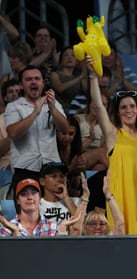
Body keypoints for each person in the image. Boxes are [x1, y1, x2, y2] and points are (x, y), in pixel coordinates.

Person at [87, 56, 137, 235]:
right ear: (117, 112)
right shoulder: (113, 134)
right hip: (119, 193)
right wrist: (93, 76)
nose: (129, 110)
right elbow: (99, 107)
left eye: (132, 106)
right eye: (123, 107)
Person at [4, 65, 68, 200]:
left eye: (37, 79)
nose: (33, 82)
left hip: (52, 168)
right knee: (26, 213)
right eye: (28, 79)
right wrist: (35, 112)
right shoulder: (13, 107)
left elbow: (64, 129)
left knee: (53, 211)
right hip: (25, 169)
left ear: (42, 83)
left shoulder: (54, 103)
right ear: (21, 85)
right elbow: (13, 133)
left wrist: (53, 109)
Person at [0, 178, 78, 236]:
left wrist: (62, 230)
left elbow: (61, 253)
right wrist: (16, 233)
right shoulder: (7, 228)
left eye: (33, 193)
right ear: (17, 200)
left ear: (40, 198)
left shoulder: (54, 227)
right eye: (24, 194)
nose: (30, 197)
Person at [49, 46, 88, 113]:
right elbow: (59, 88)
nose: (69, 57)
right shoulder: (54, 74)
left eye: (73, 55)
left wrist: (85, 64)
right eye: (65, 55)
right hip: (58, 111)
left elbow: (86, 89)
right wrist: (80, 78)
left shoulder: (79, 77)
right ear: (60, 61)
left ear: (76, 61)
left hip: (75, 113)